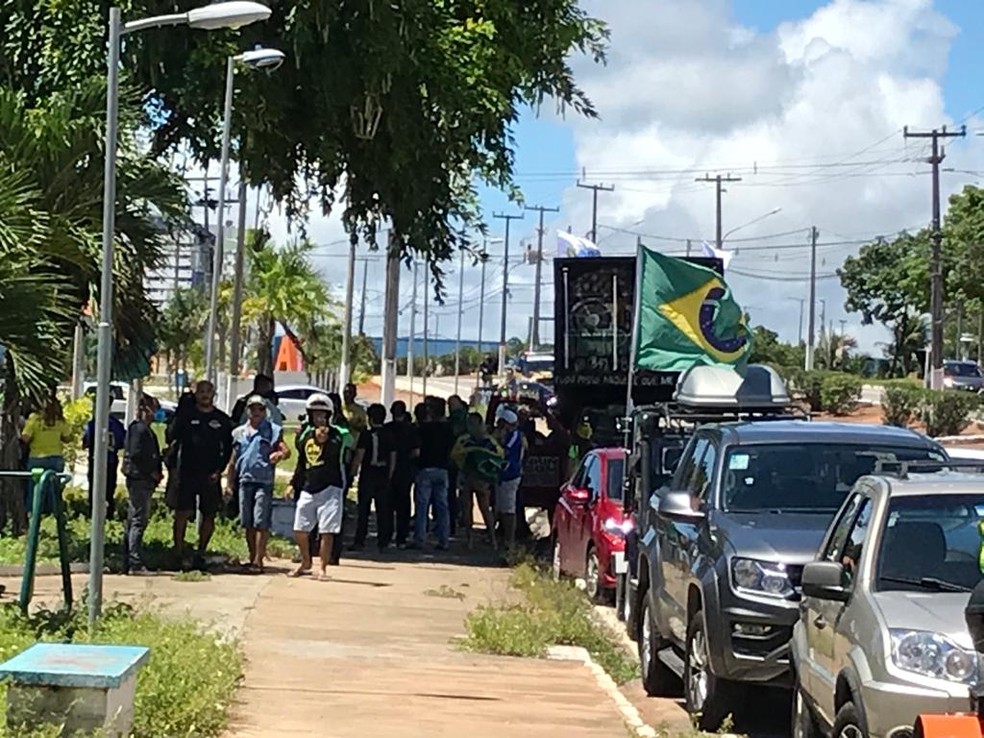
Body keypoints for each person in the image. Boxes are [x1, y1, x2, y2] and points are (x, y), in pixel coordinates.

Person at [166, 380, 233, 571]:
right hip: (186, 473)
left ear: (213, 394)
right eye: (201, 391)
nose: (204, 395)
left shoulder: (221, 419)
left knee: (209, 514)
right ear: (195, 394)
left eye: (208, 391)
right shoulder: (186, 416)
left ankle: (200, 552)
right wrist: (181, 410)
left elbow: (227, 448)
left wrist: (219, 469)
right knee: (182, 513)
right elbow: (170, 436)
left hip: (210, 475)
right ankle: (178, 552)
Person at [289, 394, 350, 580]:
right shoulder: (304, 435)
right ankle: (306, 561)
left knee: (327, 531)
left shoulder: (339, 433)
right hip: (309, 486)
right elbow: (301, 461)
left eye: (323, 414)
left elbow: (337, 451)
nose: (319, 418)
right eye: (315, 414)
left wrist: (325, 439)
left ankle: (322, 568)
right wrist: (293, 483)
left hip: (331, 487)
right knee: (300, 529)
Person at [229, 395, 289, 572]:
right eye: (253, 409)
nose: (256, 412)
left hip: (263, 481)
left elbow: (286, 450)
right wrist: (229, 484)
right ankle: (251, 556)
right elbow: (233, 461)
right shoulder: (238, 433)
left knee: (260, 520)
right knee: (247, 521)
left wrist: (279, 455)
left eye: (260, 409)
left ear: (265, 411)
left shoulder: (273, 430)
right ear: (247, 410)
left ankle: (259, 560)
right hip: (244, 480)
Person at [122, 397, 163, 575]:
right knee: (138, 520)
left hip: (143, 479)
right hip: (140, 479)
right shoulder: (139, 430)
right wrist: (151, 471)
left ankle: (129, 559)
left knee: (134, 519)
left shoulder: (144, 430)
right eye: (155, 409)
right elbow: (138, 454)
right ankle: (134, 562)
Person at [451, 412, 502, 550]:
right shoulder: (471, 440)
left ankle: (491, 539)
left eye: (473, 423)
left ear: (480, 423)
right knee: (468, 509)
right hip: (469, 477)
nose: (471, 427)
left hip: (480, 478)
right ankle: (471, 539)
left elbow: (498, 457)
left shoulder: (485, 441)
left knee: (484, 508)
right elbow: (455, 455)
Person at [410, 402, 454, 551]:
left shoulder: (424, 429)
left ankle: (420, 539)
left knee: (422, 507)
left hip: (425, 469)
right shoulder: (449, 429)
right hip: (443, 470)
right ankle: (444, 540)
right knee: (442, 506)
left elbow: (417, 450)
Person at [351, 403, 395, 551]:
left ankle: (360, 540)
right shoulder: (389, 434)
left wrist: (353, 471)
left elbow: (360, 454)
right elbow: (393, 457)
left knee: (363, 509)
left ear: (370, 418)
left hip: (368, 474)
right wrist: (390, 474)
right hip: (383, 473)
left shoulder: (366, 435)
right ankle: (383, 540)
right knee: (383, 509)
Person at [20, 390, 72, 514]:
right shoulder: (60, 421)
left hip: (37, 458)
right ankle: (54, 515)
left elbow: (25, 438)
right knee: (53, 490)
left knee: (34, 489)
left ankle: (33, 515)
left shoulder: (35, 419)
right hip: (55, 458)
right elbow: (68, 438)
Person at [82, 395, 126, 520]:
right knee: (109, 489)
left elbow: (85, 442)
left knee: (94, 489)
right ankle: (109, 515)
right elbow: (122, 442)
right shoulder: (116, 424)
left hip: (96, 461)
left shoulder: (93, 424)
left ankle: (93, 515)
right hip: (110, 461)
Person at [384, 400, 418, 548]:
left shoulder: (387, 429)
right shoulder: (412, 430)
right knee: (404, 504)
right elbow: (416, 452)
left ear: (391, 412)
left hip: (388, 470)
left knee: (388, 505)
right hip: (406, 471)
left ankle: (387, 535)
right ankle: (401, 538)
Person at [494, 408, 527, 551]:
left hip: (511, 474)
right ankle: (503, 536)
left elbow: (505, 451)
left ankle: (510, 540)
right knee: (501, 507)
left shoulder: (514, 436)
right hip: (503, 475)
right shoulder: (511, 435)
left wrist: (498, 440)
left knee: (508, 509)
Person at [447, 395, 469, 536]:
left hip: (455, 459)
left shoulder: (457, 419)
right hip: (464, 459)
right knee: (463, 493)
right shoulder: (467, 418)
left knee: (452, 493)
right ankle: (463, 519)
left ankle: (456, 520)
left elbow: (454, 433)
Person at [342, 383, 368, 447]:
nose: (347, 395)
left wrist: (352, 424)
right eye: (346, 392)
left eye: (350, 392)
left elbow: (364, 428)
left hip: (353, 444)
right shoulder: (338, 407)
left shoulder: (360, 410)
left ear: (355, 394)